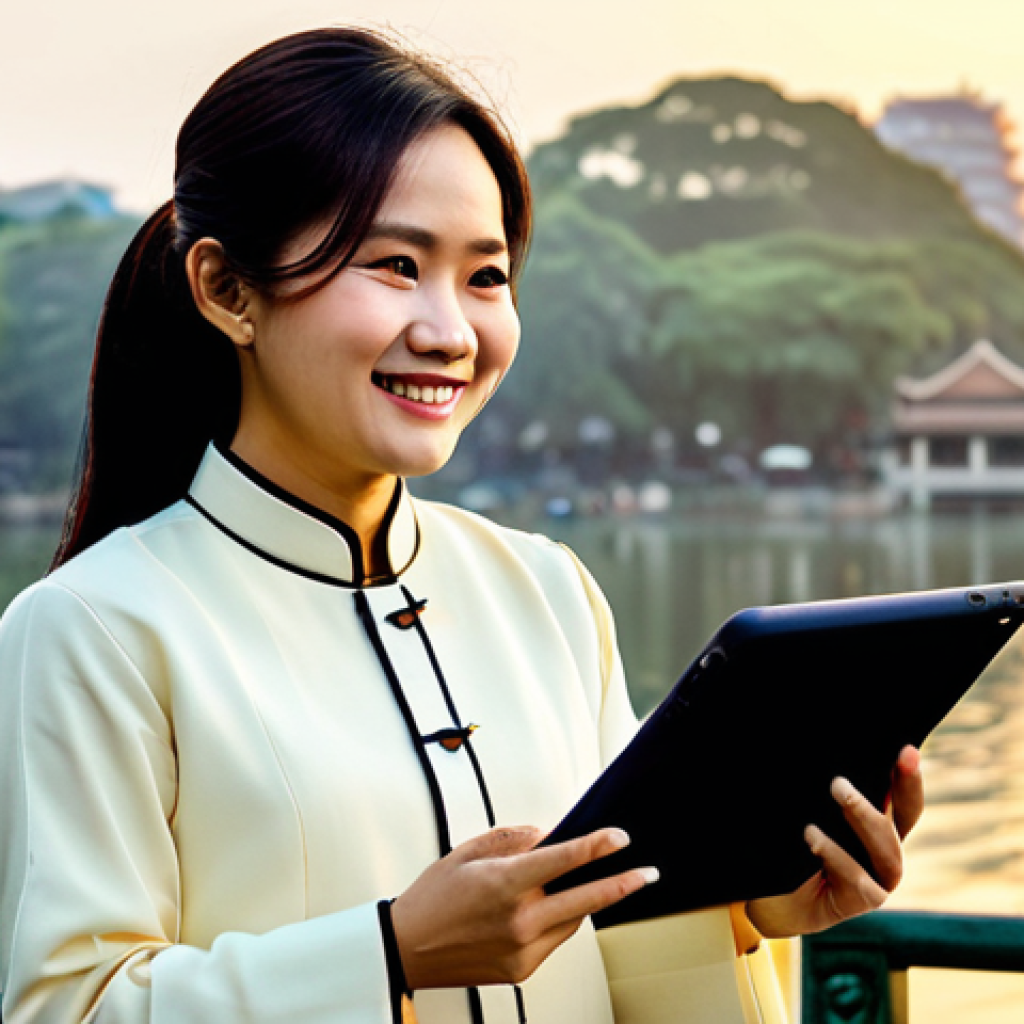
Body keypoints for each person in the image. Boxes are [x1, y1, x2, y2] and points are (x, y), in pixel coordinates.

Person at [0, 27, 924, 1024]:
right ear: (228, 290)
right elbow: (67, 1008)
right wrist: (388, 953)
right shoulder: (92, 630)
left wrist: (753, 905)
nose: (449, 332)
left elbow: (620, 926)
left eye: (484, 277)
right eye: (395, 264)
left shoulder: (549, 590)